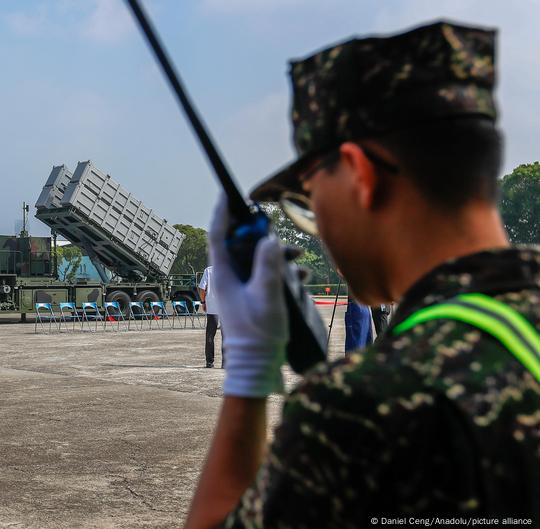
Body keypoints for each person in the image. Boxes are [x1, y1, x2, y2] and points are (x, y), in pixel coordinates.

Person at [186, 21, 539, 529]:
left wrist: (247, 372)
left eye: (309, 198)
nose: (318, 224)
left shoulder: (360, 407)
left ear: (360, 175)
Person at [197, 266, 222, 368]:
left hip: (212, 307)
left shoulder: (209, 270)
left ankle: (209, 362)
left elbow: (202, 288)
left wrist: (203, 302)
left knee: (210, 335)